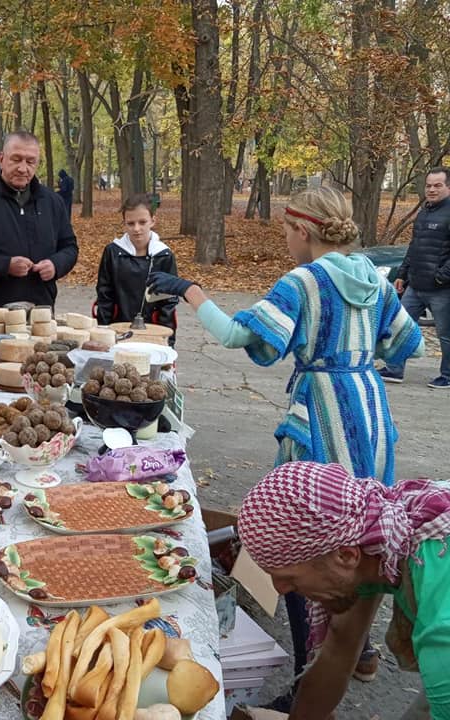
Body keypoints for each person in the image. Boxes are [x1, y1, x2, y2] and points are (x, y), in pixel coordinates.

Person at [148, 186, 424, 699]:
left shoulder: (305, 281)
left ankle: (309, 672)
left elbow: (238, 336)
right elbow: (410, 343)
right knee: (364, 535)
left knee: (307, 541)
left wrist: (190, 290)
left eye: (285, 233)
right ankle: (360, 650)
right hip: (371, 415)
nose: (287, 244)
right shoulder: (374, 278)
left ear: (302, 230)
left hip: (321, 414)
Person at [237, 461, 450, 720]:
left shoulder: (442, 627)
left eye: (288, 577)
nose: (279, 590)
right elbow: (339, 646)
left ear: (346, 556)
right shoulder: (372, 536)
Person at [0, 131, 78, 311]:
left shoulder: (52, 202)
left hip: (42, 310)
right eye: (16, 159)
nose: (23, 168)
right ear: (1, 159)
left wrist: (56, 264)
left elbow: (69, 247)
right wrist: (5, 266)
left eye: (30, 162)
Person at [380, 166, 450, 389]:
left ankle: (447, 375)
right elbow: (414, 246)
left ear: (448, 186)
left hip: (441, 289)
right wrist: (402, 274)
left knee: (445, 335)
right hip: (415, 285)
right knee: (400, 326)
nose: (431, 190)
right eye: (428, 185)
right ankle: (394, 369)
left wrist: (441, 277)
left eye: (437, 185)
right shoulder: (424, 211)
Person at [96, 193, 178, 342]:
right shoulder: (113, 252)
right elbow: (104, 295)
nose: (137, 228)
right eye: (131, 223)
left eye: (142, 222)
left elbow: (168, 302)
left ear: (152, 221)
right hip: (117, 328)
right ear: (124, 223)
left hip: (153, 332)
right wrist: (102, 332)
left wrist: (168, 340)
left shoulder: (164, 255)